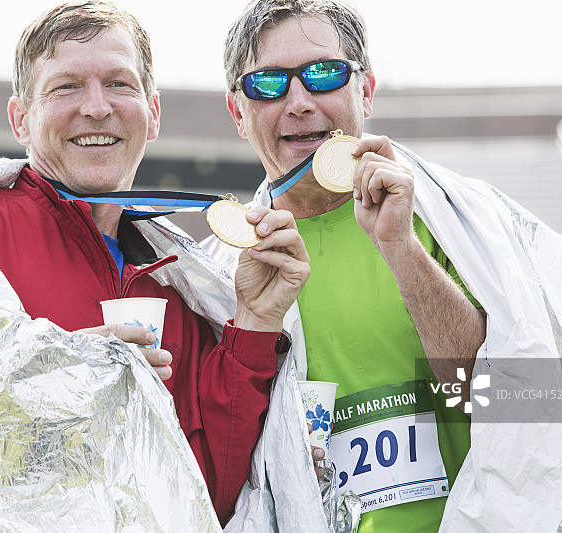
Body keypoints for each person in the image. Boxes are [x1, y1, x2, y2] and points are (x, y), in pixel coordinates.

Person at [0, 0, 309, 525]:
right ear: (21, 118)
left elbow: (206, 493)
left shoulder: (178, 278)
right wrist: (53, 376)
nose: (96, 107)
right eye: (66, 86)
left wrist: (255, 320)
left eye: (119, 84)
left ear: (153, 113)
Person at [203, 0, 487, 531]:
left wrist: (402, 250)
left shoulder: (455, 225)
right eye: (267, 84)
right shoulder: (219, 272)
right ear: (238, 113)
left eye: (325, 74)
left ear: (366, 90)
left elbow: (502, 398)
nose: (299, 102)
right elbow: (212, 471)